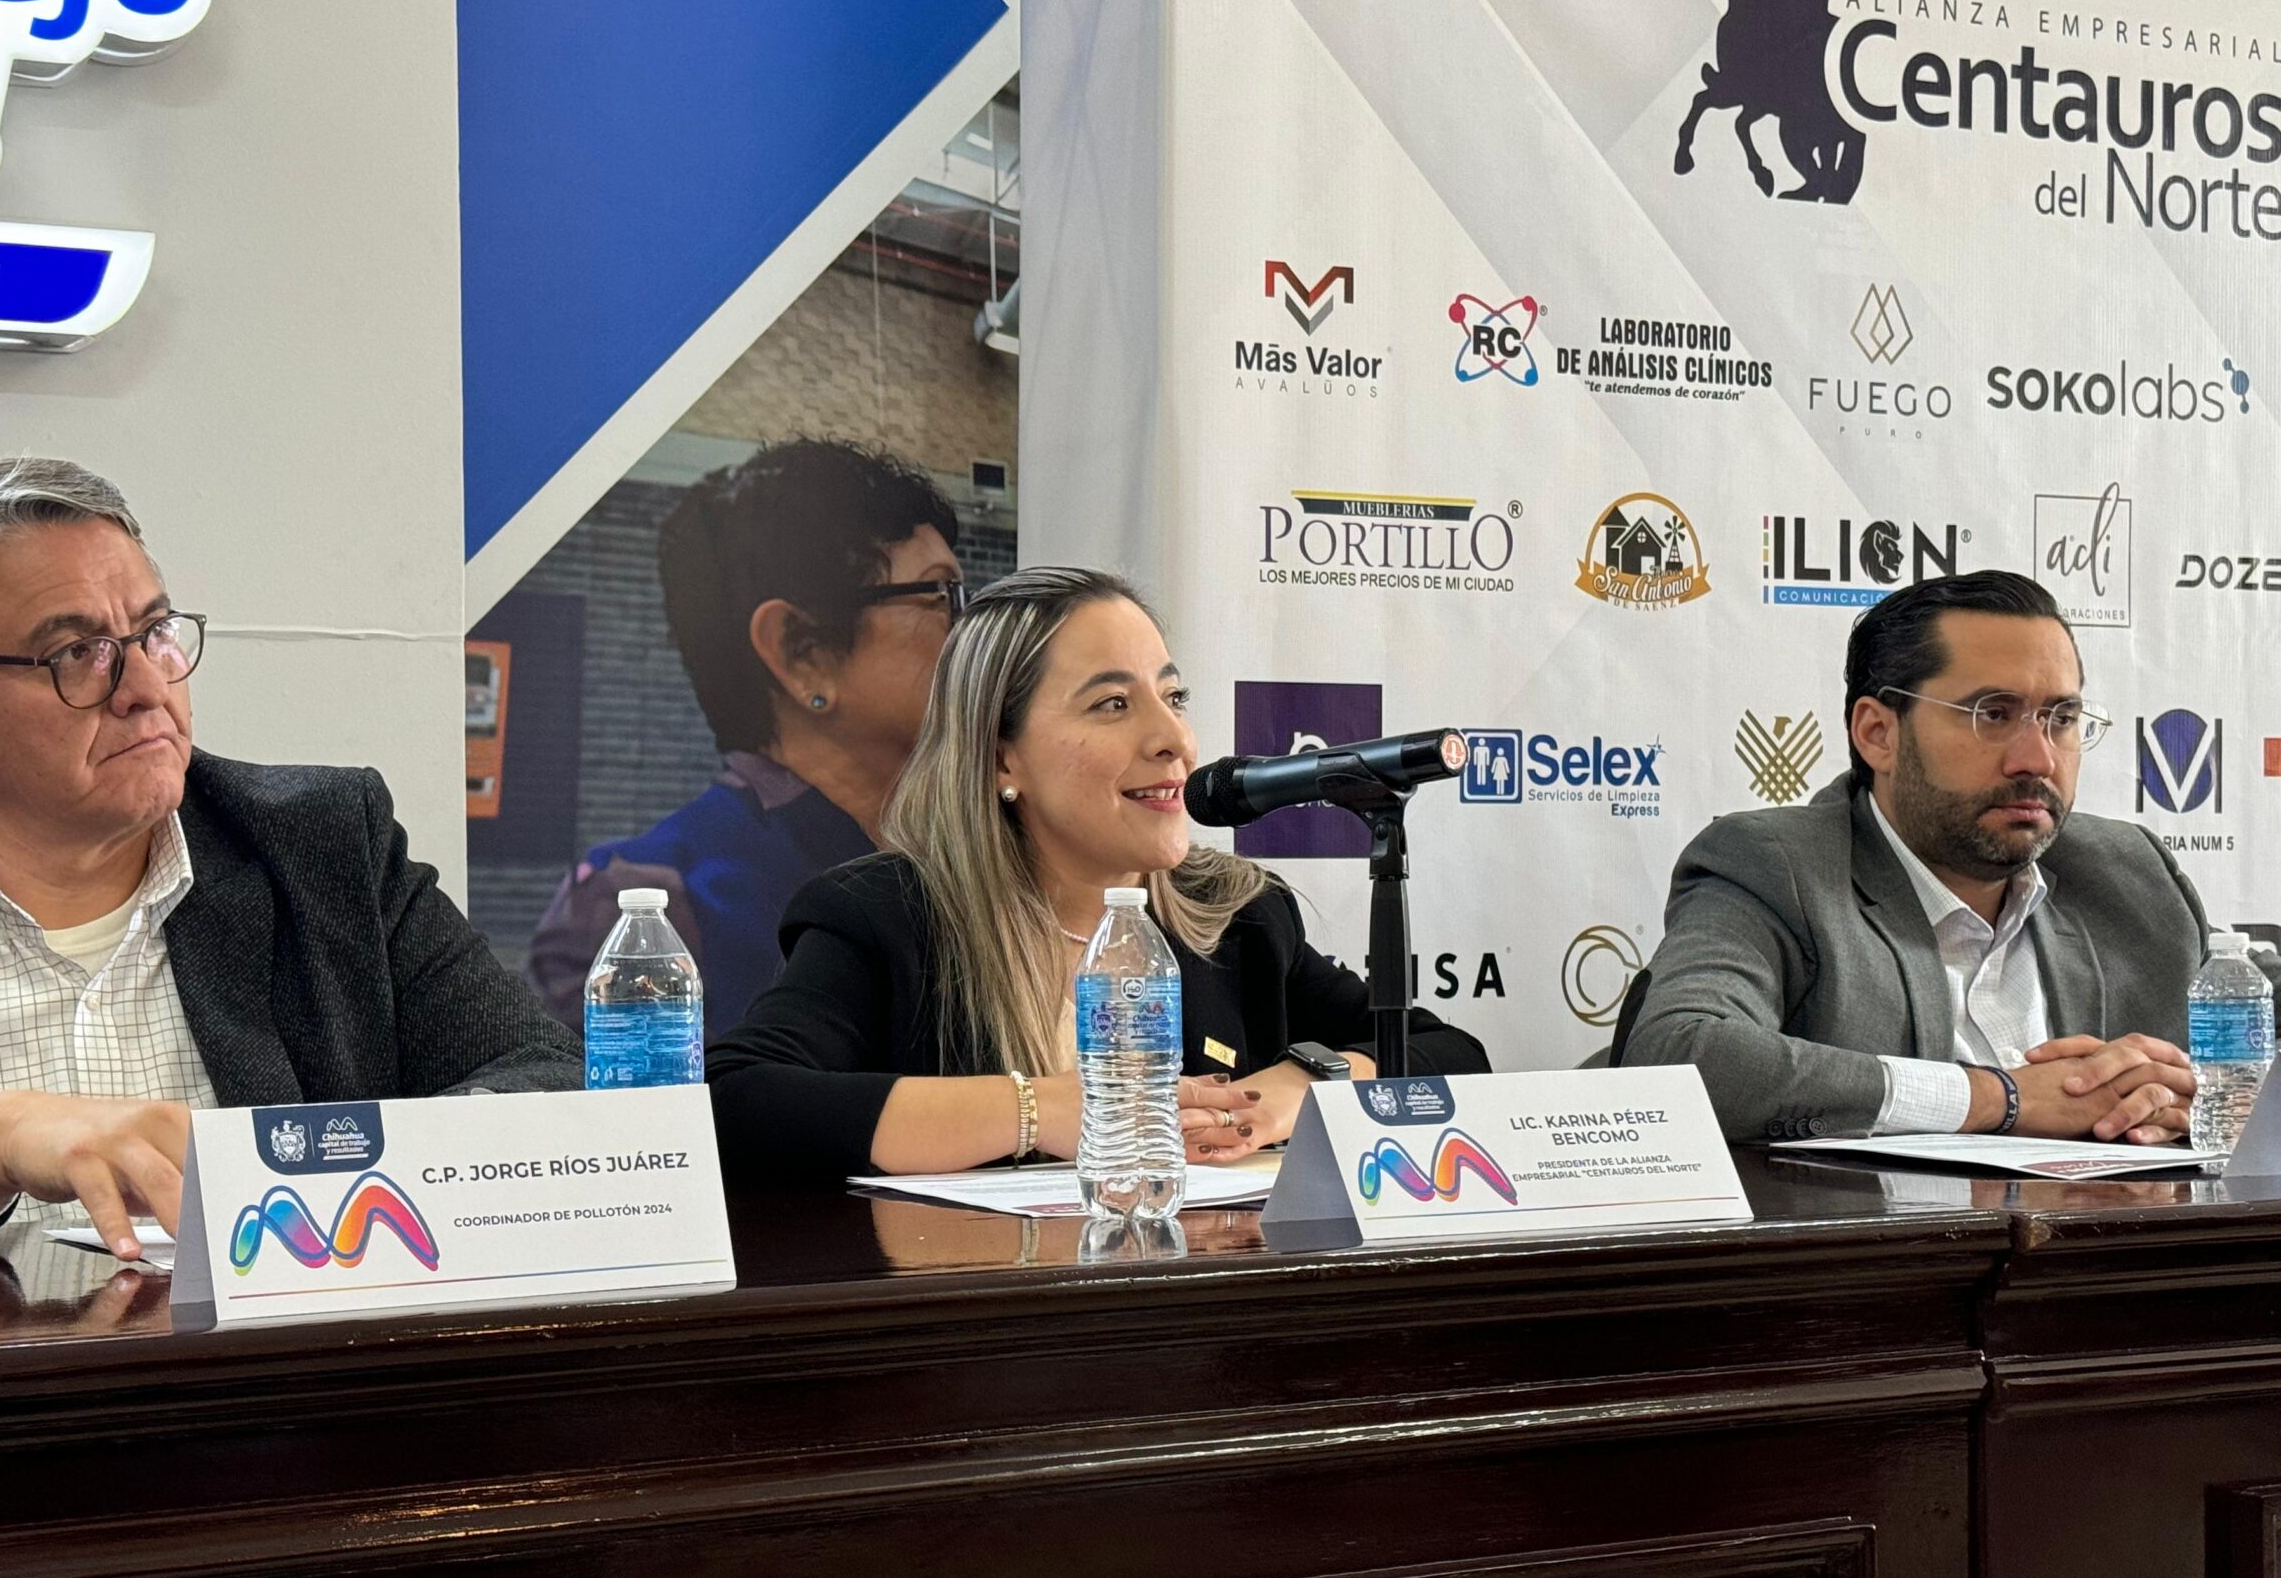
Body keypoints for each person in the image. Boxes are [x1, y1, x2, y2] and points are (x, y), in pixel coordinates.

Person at [0, 458, 581, 1258]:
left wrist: (356, 1169)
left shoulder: (321, 844)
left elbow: (540, 1075)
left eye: (155, 632)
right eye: (77, 653)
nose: (145, 689)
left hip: (283, 1361)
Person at [707, 566, 1488, 1179]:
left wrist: (1302, 1084)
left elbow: (1447, 1053)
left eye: (1173, 696)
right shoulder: (885, 917)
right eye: (1113, 705)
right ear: (1000, 758)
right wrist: (1041, 1111)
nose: (1173, 739)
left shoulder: (1237, 916)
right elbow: (736, 1102)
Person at [1622, 571, 2206, 1144]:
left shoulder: (2134, 877)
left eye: (2062, 719)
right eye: (1993, 714)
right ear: (1878, 734)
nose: (2038, 759)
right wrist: (2000, 1099)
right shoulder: (1775, 867)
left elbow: (2238, 1072)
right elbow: (1679, 1056)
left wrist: (2187, 1098)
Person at [524, 440, 967, 1042]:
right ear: (801, 652)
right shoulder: (647, 909)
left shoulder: (966, 857)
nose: (972, 635)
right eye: (941, 596)